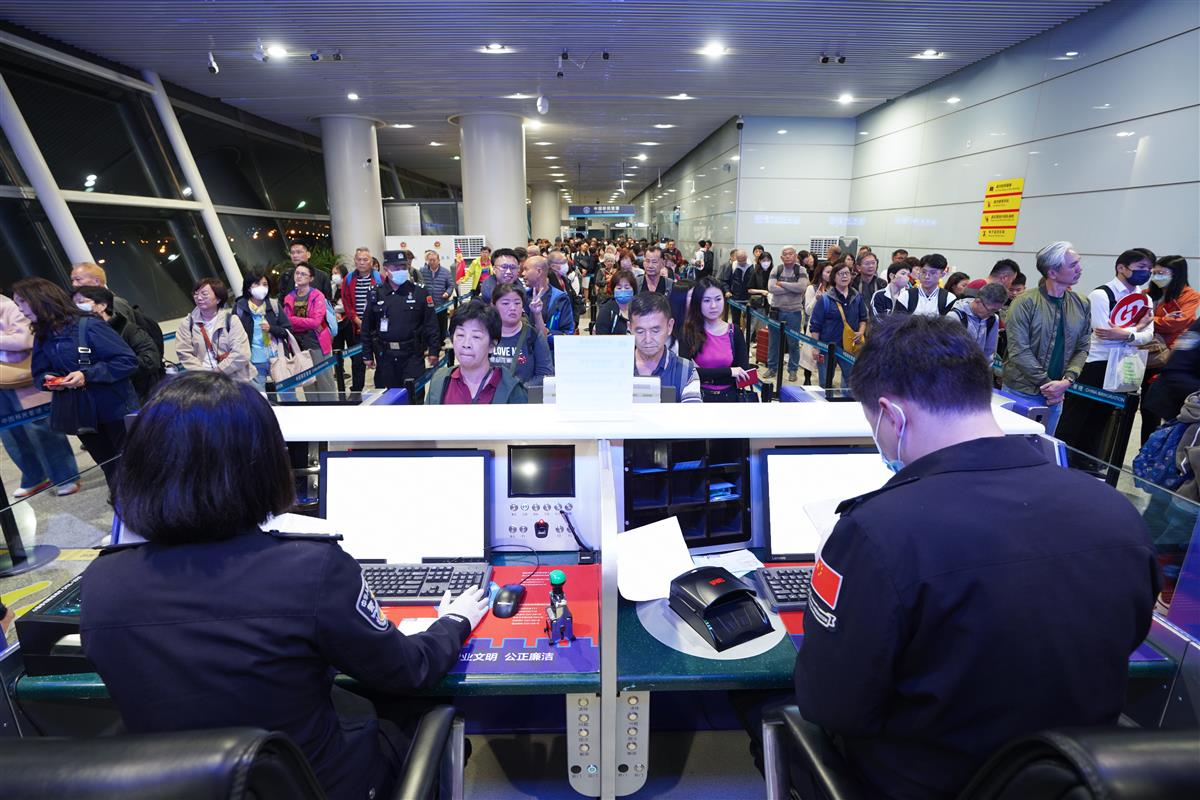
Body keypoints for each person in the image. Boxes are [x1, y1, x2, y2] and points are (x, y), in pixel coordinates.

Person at [791, 313, 1159, 800]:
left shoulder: (875, 531)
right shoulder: (1116, 512)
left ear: (891, 414)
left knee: (766, 717)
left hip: (923, 784)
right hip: (1074, 780)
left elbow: (833, 705)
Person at [79, 372, 490, 800]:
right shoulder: (311, 569)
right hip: (318, 785)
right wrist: (453, 621)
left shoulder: (103, 582)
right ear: (263, 465)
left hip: (180, 788)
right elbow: (408, 669)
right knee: (415, 714)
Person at [13, 277, 138, 492]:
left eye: (22, 302)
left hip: (115, 409)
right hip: (81, 414)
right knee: (110, 468)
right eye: (17, 304)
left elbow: (127, 361)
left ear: (41, 299)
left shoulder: (89, 325)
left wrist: (86, 375)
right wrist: (50, 381)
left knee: (133, 467)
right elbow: (39, 373)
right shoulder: (43, 335)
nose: (20, 310)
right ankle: (124, 507)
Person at [1056, 248, 1156, 459]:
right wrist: (1137, 328)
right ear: (1122, 268)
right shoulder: (1102, 294)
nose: (1146, 272)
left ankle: (1086, 461)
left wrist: (1126, 334)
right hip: (1096, 363)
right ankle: (1060, 458)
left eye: (1149, 268)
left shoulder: (1145, 299)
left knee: (1103, 418)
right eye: (1141, 267)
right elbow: (1103, 333)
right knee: (1077, 414)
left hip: (1124, 364)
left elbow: (1148, 335)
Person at [1001, 241, 1091, 436]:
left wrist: (1068, 380)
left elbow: (1083, 346)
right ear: (1052, 273)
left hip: (1057, 394)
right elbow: (1019, 351)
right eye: (1073, 265)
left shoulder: (1082, 303)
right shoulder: (1024, 302)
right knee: (1013, 448)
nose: (1079, 269)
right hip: (1022, 391)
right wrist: (1049, 386)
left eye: (1078, 263)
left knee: (1043, 448)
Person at [0, 292, 80, 497]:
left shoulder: (9, 306)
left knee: (40, 428)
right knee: (11, 434)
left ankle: (65, 477)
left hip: (20, 379)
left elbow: (24, 339)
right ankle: (34, 477)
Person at [1140, 255, 1200, 440]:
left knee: (1159, 409)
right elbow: (1135, 319)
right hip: (1141, 352)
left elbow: (1178, 323)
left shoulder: (1190, 296)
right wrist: (1161, 320)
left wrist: (1149, 321)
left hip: (1166, 357)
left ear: (1177, 274)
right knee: (1144, 408)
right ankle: (1146, 449)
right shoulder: (1146, 293)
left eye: (1162, 273)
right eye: (1154, 272)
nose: (1156, 276)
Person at [361, 252, 440, 390]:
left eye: (404, 267)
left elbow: (431, 324)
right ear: (386, 269)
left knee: (414, 395)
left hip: (412, 355)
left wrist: (434, 350)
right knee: (389, 397)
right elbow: (367, 327)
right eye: (396, 268)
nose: (401, 271)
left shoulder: (419, 292)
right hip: (385, 356)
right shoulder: (376, 293)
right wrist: (367, 354)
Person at [426, 301, 527, 405]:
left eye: (476, 337)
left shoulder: (512, 390)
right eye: (460, 335)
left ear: (492, 345)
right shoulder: (439, 382)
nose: (466, 344)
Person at [73, 286, 163, 402]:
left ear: (102, 306)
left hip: (136, 396)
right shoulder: (82, 335)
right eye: (74, 303)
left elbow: (150, 360)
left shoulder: (129, 330)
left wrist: (114, 369)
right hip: (102, 399)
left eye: (81, 302)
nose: (76, 307)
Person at [70, 261, 164, 361]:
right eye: (72, 280)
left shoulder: (115, 304)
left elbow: (120, 339)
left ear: (96, 281)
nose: (74, 284)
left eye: (78, 279)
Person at [679, 277, 751, 402]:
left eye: (718, 299)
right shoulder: (688, 332)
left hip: (729, 398)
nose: (713, 306)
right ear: (697, 302)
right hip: (697, 397)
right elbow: (687, 373)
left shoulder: (734, 332)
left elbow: (742, 372)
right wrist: (729, 371)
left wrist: (705, 374)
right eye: (707, 300)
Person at [174, 278, 255, 382]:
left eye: (204, 294)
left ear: (218, 299)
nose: (199, 298)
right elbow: (184, 353)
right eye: (196, 294)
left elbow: (241, 353)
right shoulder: (187, 323)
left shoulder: (231, 320)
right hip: (204, 381)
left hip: (235, 379)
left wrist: (217, 371)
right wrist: (204, 375)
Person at [629, 293, 701, 403]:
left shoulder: (686, 371)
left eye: (655, 331)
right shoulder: (615, 370)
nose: (648, 339)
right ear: (630, 328)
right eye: (640, 331)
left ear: (669, 326)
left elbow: (692, 413)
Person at [283, 263, 338, 395]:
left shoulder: (317, 295)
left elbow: (316, 322)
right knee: (307, 382)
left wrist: (293, 320)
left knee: (325, 381)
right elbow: (286, 322)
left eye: (303, 274)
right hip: (298, 344)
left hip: (316, 342)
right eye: (297, 273)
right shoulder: (289, 297)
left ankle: (331, 407)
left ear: (311, 278)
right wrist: (301, 321)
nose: (299, 276)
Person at [232, 270, 293, 390]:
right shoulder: (240, 308)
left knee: (288, 394)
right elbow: (233, 335)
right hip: (253, 360)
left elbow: (287, 330)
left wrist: (272, 329)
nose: (262, 287)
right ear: (248, 287)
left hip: (277, 358)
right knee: (259, 395)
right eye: (257, 284)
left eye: (265, 284)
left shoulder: (274, 306)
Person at [809, 261, 866, 386]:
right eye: (840, 274)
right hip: (826, 347)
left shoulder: (857, 297)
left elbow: (863, 318)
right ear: (833, 277)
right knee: (825, 382)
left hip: (849, 347)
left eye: (847, 273)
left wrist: (861, 332)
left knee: (851, 381)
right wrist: (815, 347)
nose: (844, 276)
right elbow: (815, 325)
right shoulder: (825, 299)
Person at [490, 283, 553, 388]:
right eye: (505, 303)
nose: (512, 308)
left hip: (524, 396)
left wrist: (518, 391)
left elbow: (545, 374)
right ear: (493, 306)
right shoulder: (485, 335)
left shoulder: (533, 336)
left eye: (517, 303)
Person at [764, 247, 810, 382]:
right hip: (776, 310)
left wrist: (782, 284)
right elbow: (771, 288)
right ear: (781, 257)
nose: (788, 256)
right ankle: (772, 367)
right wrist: (792, 288)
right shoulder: (776, 269)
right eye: (785, 254)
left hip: (794, 312)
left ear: (795, 256)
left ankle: (792, 370)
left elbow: (802, 287)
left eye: (791, 254)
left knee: (793, 343)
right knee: (773, 342)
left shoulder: (801, 270)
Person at [949, 282, 1007, 364]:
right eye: (990, 310)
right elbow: (946, 352)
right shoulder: (955, 317)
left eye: (995, 311)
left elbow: (989, 352)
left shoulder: (993, 319)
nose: (991, 314)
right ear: (978, 301)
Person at [524, 256, 575, 343]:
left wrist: (547, 333)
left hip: (551, 349)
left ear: (539, 271)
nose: (522, 273)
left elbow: (567, 333)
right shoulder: (523, 296)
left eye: (526, 269)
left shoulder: (560, 298)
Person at [419, 250, 456, 342]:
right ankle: (429, 342)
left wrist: (447, 293)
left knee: (441, 324)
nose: (432, 262)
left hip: (441, 303)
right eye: (430, 260)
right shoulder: (422, 271)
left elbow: (451, 285)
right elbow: (419, 284)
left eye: (434, 260)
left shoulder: (446, 272)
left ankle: (441, 341)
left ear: (438, 260)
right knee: (428, 324)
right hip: (427, 304)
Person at [594, 270, 637, 336]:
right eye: (619, 288)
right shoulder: (606, 311)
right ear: (613, 290)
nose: (623, 290)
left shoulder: (639, 309)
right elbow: (601, 339)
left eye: (627, 287)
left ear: (633, 290)